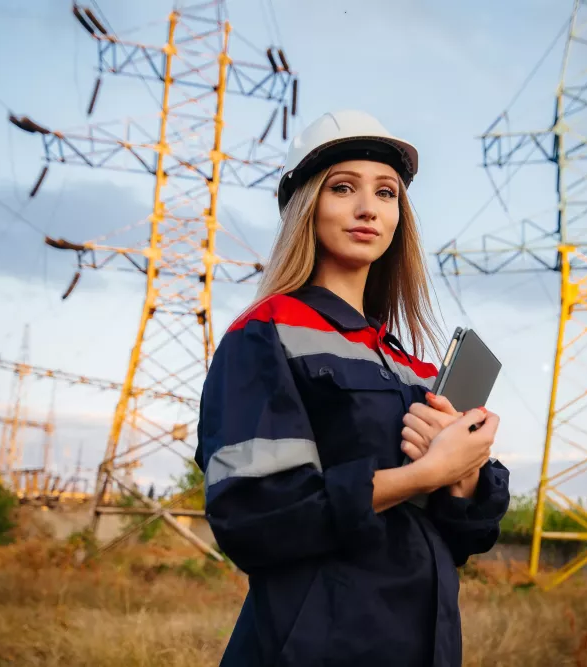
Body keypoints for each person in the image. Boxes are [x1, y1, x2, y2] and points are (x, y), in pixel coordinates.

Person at [195, 109, 511, 667]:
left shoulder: (413, 367)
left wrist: (463, 474)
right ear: (305, 206)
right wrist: (424, 473)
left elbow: (458, 538)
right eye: (343, 188)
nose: (369, 207)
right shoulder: (265, 334)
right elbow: (255, 516)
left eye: (386, 193)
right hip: (312, 649)